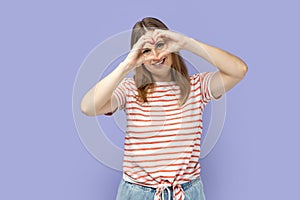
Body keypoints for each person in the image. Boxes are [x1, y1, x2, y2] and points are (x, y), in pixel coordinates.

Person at [80, 17, 247, 200]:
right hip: (138, 193)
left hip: (186, 193)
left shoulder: (198, 87)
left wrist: (186, 43)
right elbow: (88, 107)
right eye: (146, 50)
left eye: (160, 45)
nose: (156, 56)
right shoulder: (129, 90)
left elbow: (239, 70)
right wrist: (126, 65)